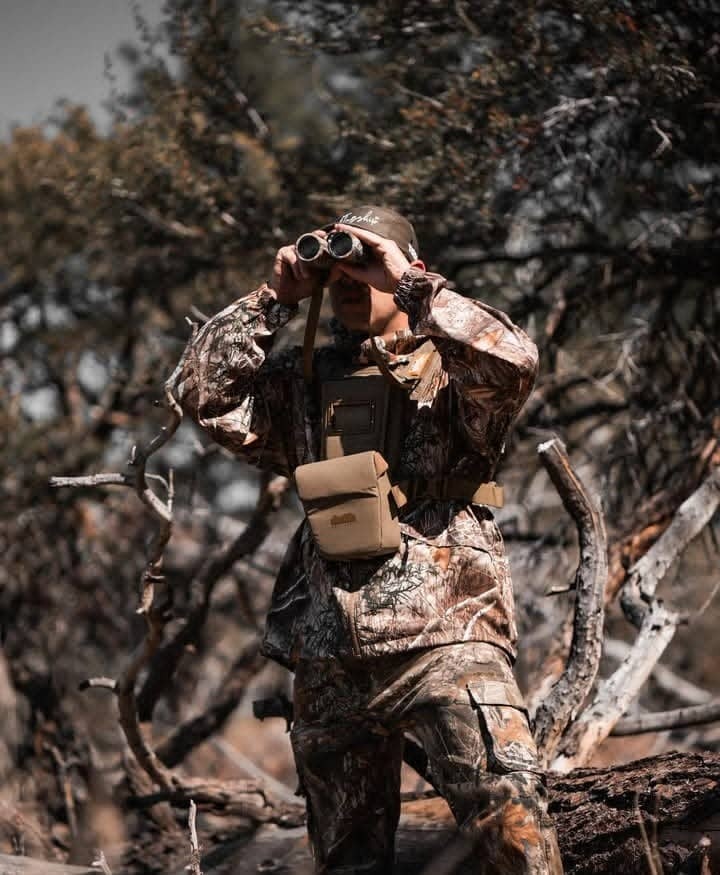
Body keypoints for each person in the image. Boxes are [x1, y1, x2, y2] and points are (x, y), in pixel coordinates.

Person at [171, 206, 563, 874]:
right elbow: (198, 393)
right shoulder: (304, 381)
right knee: (348, 861)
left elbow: (514, 358)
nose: (349, 279)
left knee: (514, 834)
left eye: (363, 264)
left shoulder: (456, 370)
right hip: (330, 655)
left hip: (446, 635)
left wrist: (413, 282)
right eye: (337, 267)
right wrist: (271, 300)